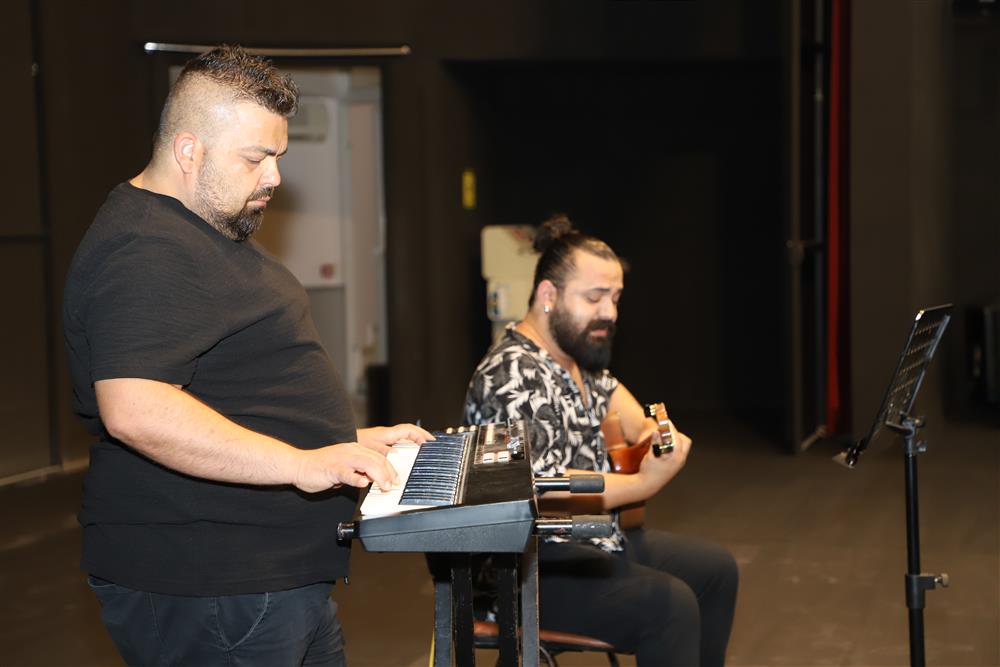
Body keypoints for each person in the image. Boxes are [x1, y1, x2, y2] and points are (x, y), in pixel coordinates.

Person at [62, 45, 431, 666]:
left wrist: (345, 439)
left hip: (261, 583)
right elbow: (136, 408)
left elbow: (231, 391)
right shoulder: (146, 248)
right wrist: (299, 463)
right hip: (211, 586)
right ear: (189, 151)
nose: (274, 177)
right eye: (256, 157)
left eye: (278, 157)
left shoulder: (203, 227)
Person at [463, 214, 739, 666]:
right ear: (549, 296)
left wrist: (657, 437)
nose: (609, 312)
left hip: (589, 540)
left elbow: (635, 421)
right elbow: (544, 490)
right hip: (526, 567)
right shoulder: (512, 374)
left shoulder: (576, 357)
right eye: (594, 297)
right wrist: (643, 484)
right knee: (669, 606)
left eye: (615, 297)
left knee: (716, 571)